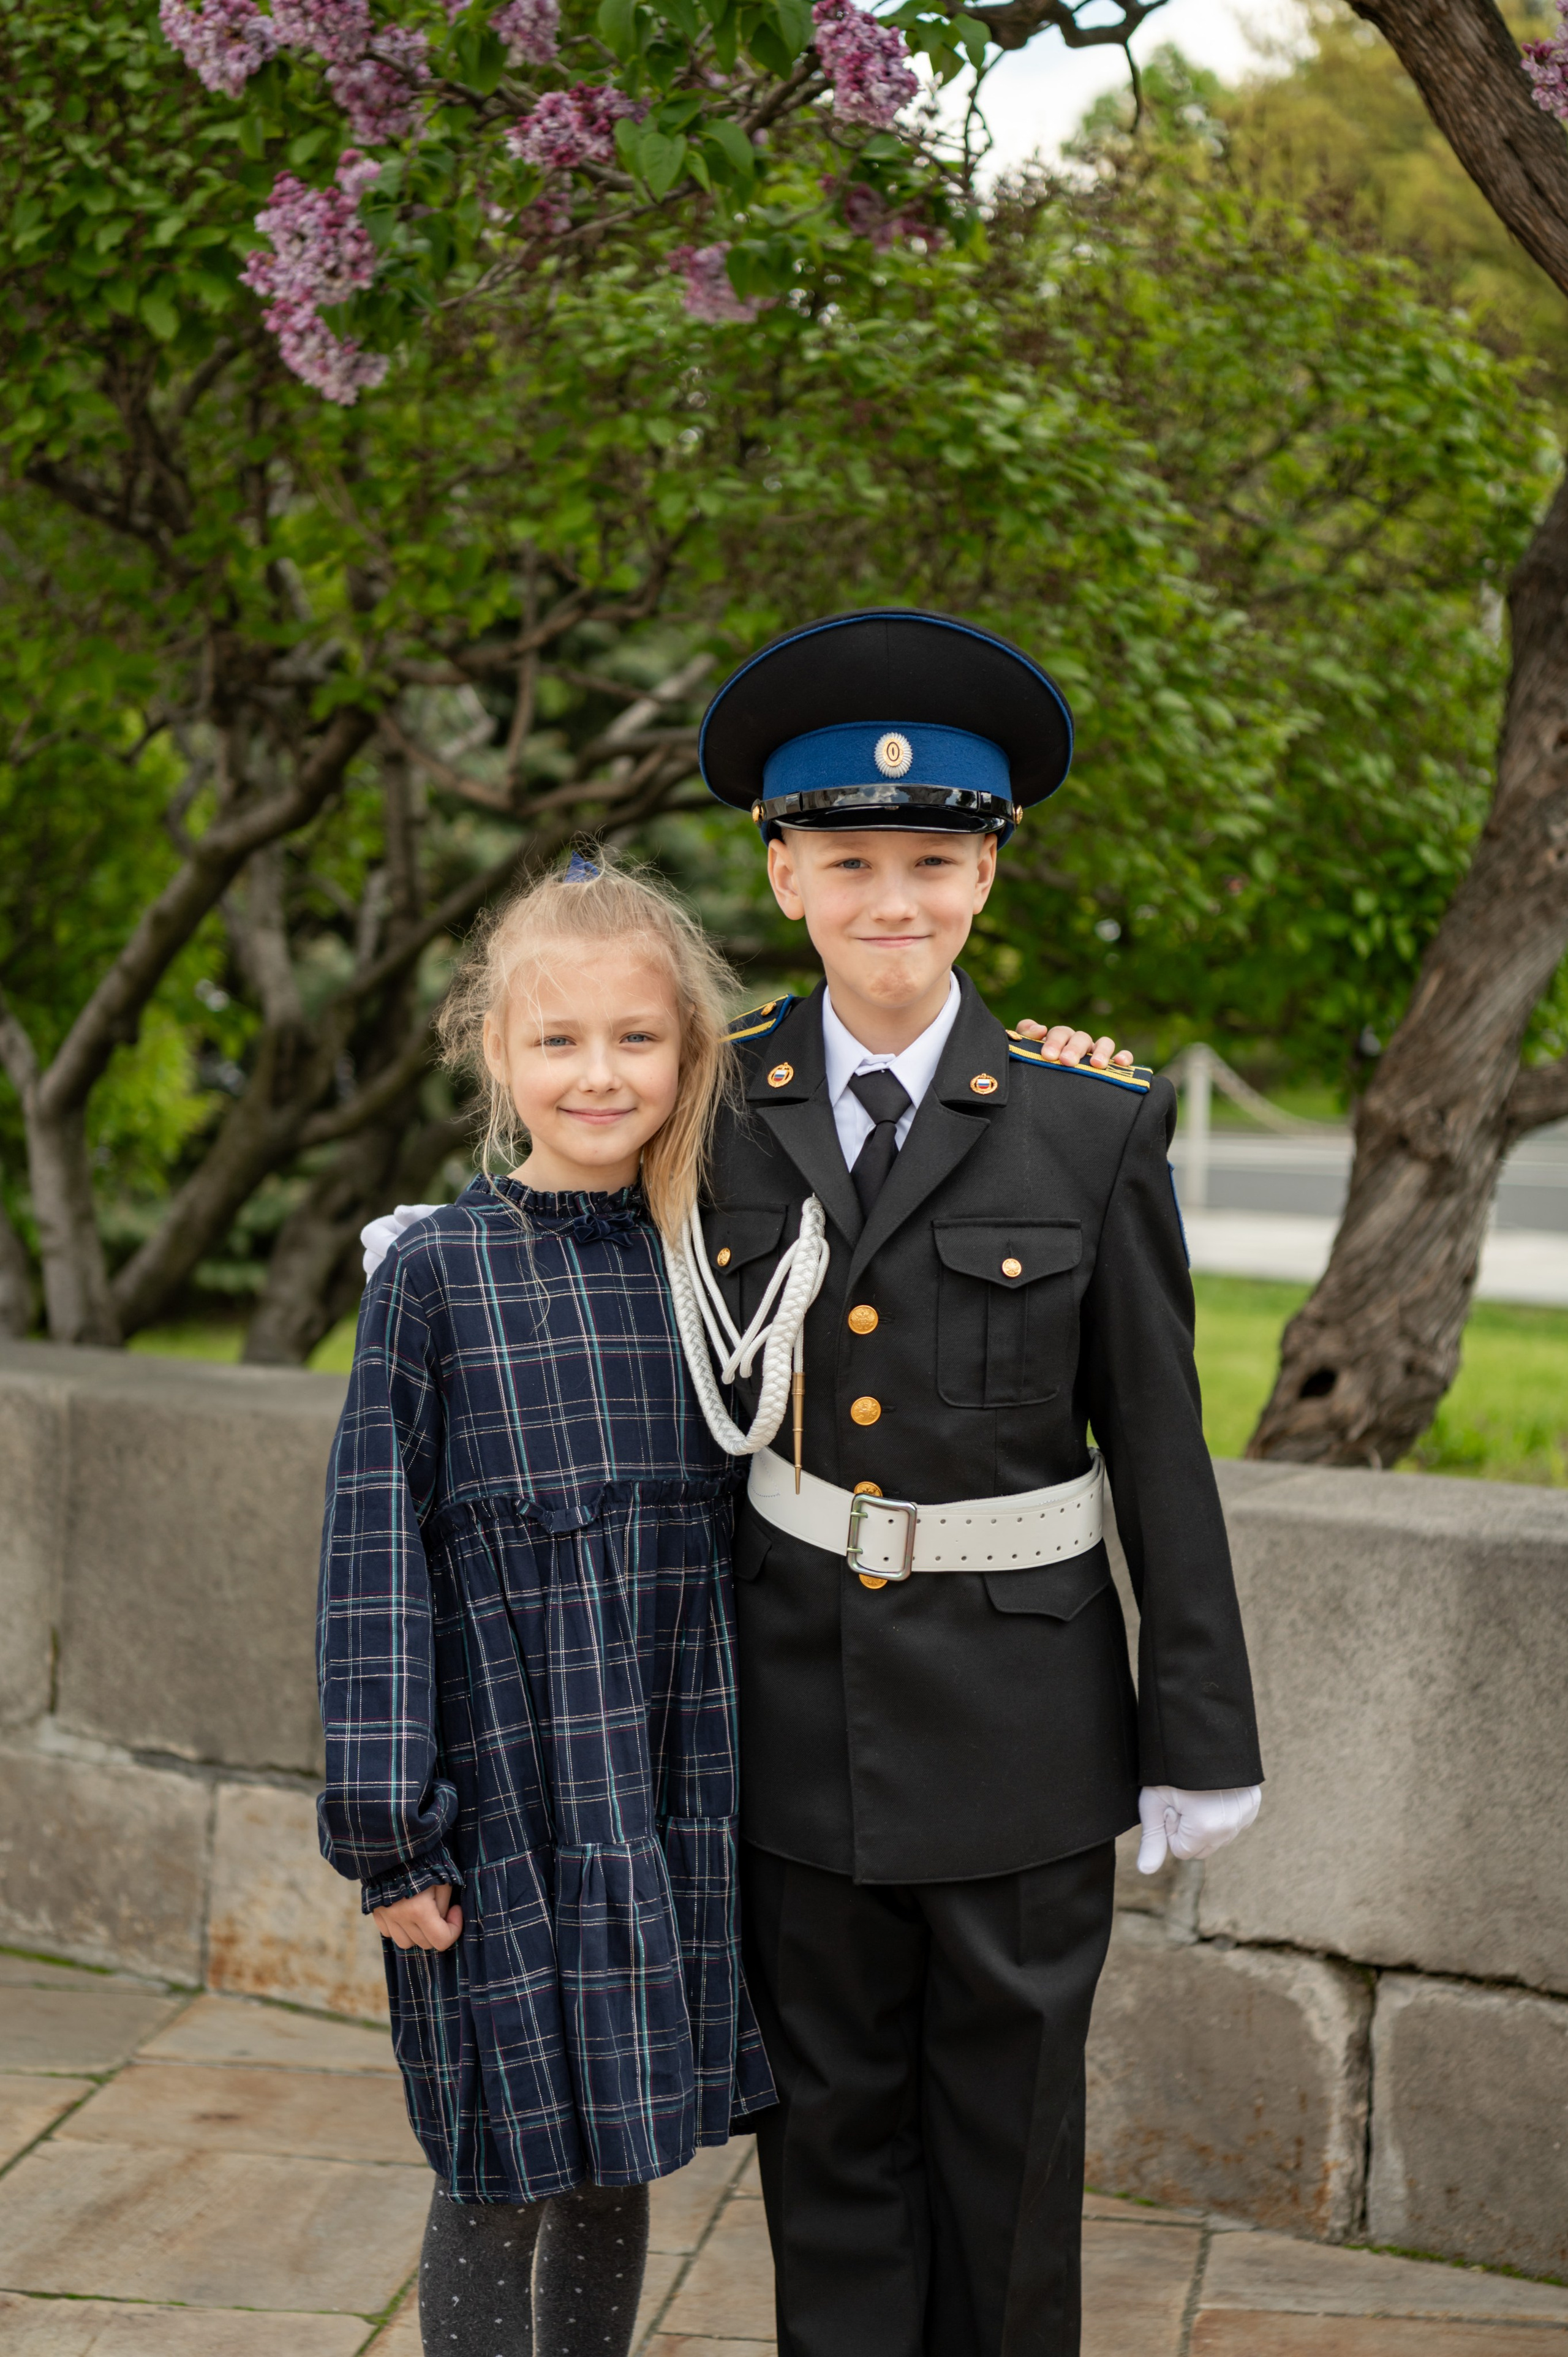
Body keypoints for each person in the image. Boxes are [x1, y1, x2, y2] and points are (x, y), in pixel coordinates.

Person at [693, 608, 1264, 2357]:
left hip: (1024, 1729)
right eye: (850, 860)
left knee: (1010, 2162)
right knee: (830, 2150)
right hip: (792, 1711)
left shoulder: (1088, 1127)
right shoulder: (712, 1108)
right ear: (784, 876)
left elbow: (1160, 1447)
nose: (894, 901)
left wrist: (1201, 1734)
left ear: (986, 877)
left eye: (932, 860)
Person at [315, 856, 776, 2357]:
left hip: (659, 1789)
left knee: (620, 2140)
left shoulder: (709, 1264)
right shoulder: (434, 1275)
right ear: (495, 1054)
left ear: (691, 1051)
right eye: (557, 1040)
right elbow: (372, 1562)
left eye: (637, 1038)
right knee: (501, 2149)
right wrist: (391, 1831)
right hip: (502, 1796)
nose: (598, 1073)